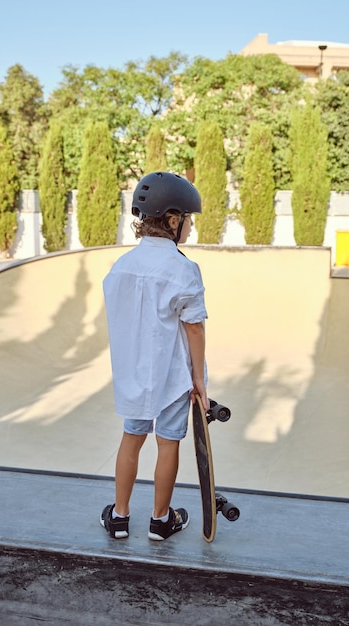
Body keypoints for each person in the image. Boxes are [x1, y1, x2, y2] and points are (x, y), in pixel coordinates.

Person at [101, 171, 208, 541]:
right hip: (173, 375)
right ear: (173, 219)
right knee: (168, 442)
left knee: (132, 437)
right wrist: (199, 379)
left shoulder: (120, 267)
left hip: (134, 373)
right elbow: (194, 327)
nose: (191, 228)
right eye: (189, 220)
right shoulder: (183, 269)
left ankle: (119, 516)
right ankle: (161, 521)